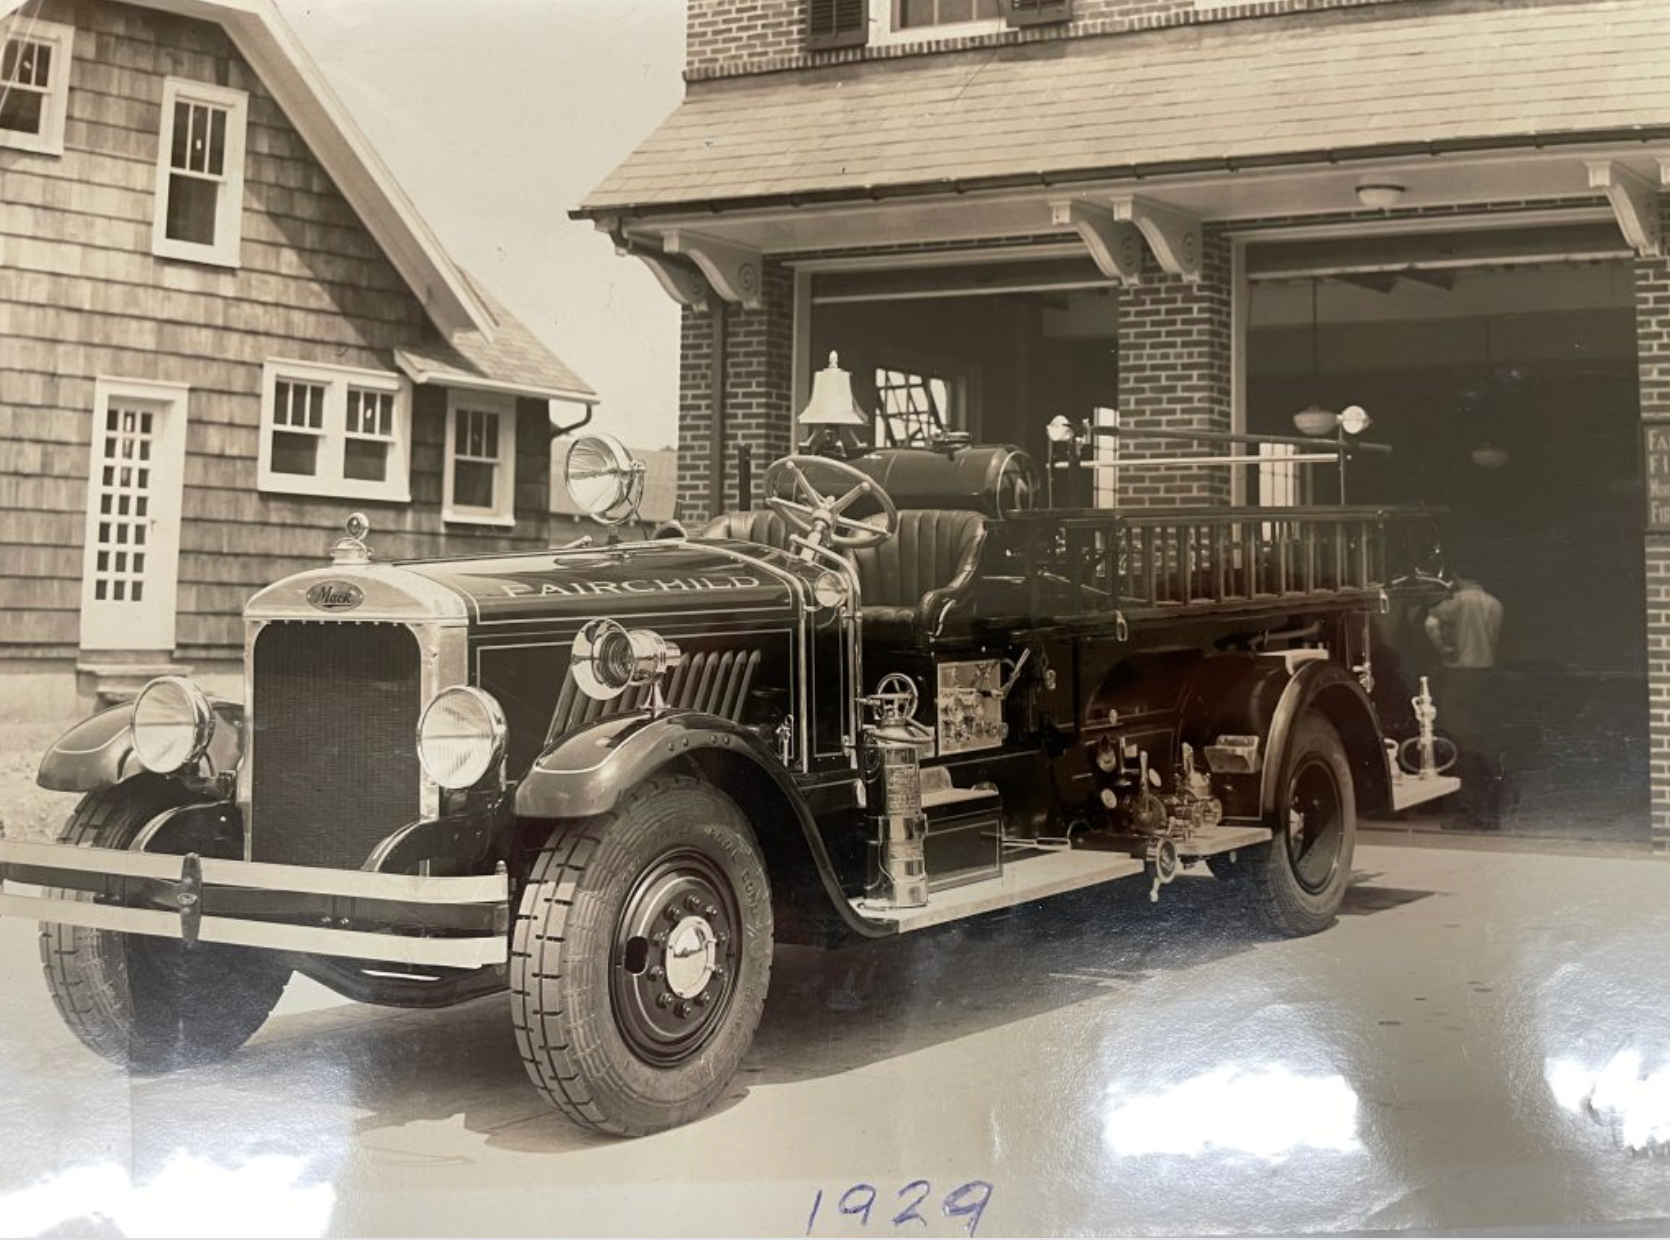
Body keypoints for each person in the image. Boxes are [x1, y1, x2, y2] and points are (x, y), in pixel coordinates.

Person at [1423, 575, 1505, 828]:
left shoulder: (1457, 601)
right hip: (1487, 673)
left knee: (1461, 739)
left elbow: (1431, 624)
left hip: (1461, 673)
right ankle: (1490, 807)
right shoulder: (1495, 603)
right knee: (1482, 740)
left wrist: (1444, 649)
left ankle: (1470, 810)